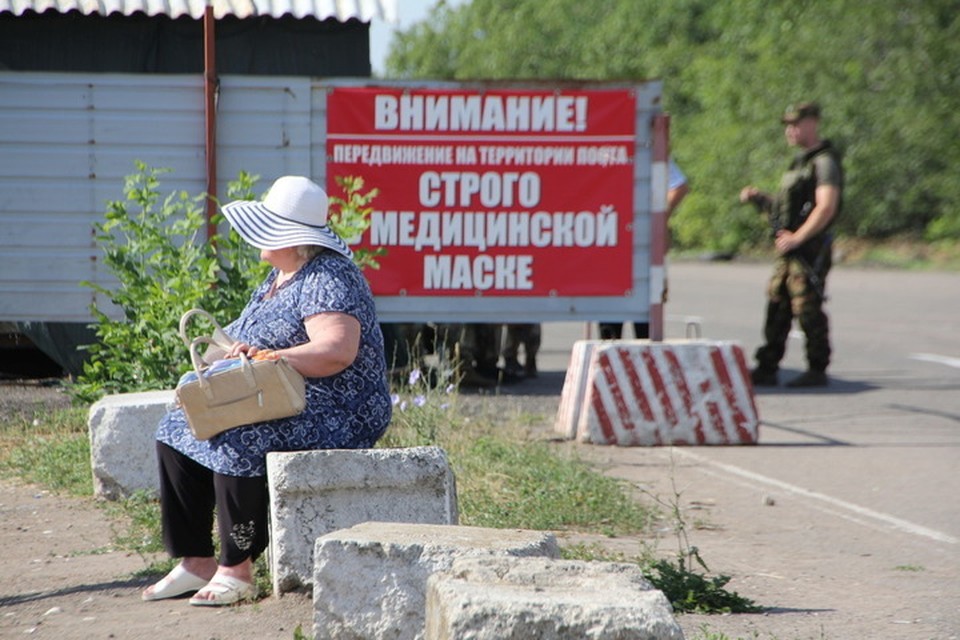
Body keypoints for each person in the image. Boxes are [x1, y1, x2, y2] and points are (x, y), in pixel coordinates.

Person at [141, 176, 392, 606]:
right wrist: (230, 354)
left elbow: (337, 351)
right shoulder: (279, 277)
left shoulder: (329, 275)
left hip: (336, 407)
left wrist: (271, 357)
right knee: (178, 424)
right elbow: (246, 339)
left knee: (240, 434)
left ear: (292, 238)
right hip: (283, 393)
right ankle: (196, 558)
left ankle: (237, 567)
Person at [740, 102, 842, 388]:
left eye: (796, 124)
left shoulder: (824, 162)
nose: (790, 130)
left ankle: (817, 368)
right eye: (787, 125)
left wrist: (799, 237)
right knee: (778, 304)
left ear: (814, 123)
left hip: (809, 249)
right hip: (790, 249)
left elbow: (827, 206)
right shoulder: (800, 162)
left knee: (807, 306)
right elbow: (787, 210)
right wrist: (761, 199)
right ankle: (767, 366)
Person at [600, 157, 690, 340]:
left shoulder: (649, 153)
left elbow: (679, 186)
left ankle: (644, 356)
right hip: (610, 237)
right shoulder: (600, 152)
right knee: (610, 305)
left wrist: (658, 215)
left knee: (646, 305)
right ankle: (609, 356)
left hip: (643, 242)